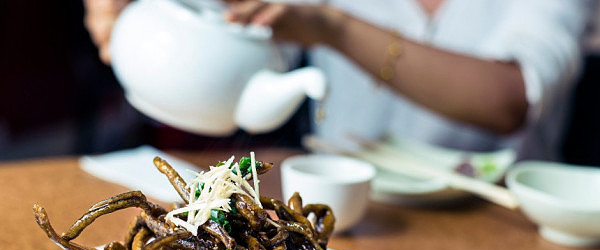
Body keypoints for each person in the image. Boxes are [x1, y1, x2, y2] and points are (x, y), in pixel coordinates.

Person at [84, 0, 594, 160]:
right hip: (339, 211)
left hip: (496, 236)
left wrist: (333, 27)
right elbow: (238, 25)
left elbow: (509, 99)